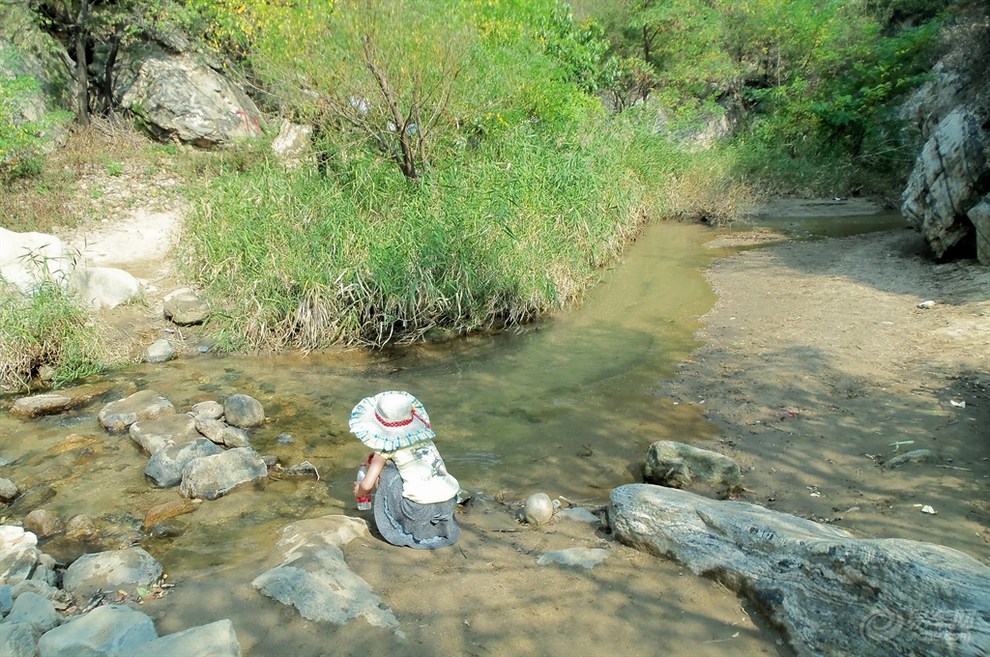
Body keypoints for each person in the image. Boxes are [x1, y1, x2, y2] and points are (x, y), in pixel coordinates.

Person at [349, 390, 461, 549]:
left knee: (387, 472)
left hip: (419, 510)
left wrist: (359, 491)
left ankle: (402, 526)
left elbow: (366, 486)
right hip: (449, 501)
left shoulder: (385, 449)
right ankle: (437, 529)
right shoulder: (422, 435)